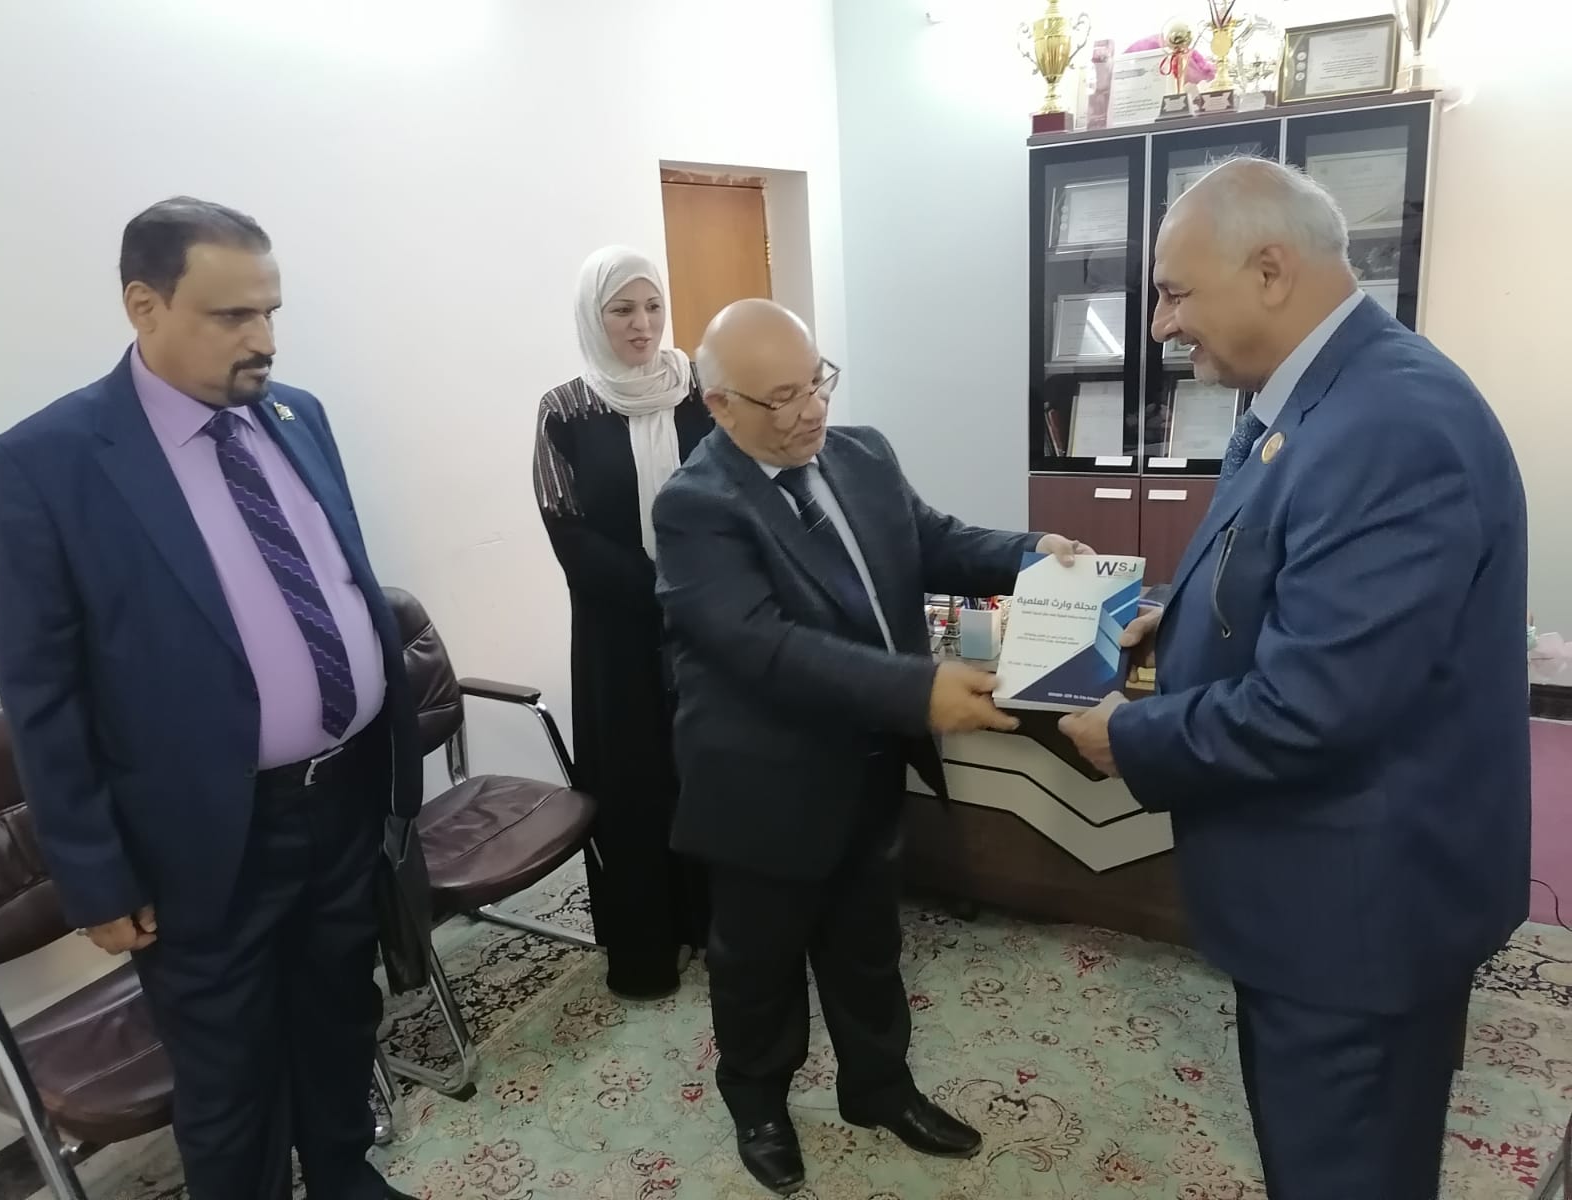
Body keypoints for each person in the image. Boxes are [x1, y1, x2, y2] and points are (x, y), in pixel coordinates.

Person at [1057, 158, 1530, 1200]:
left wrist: (1127, 739)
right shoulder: (1322, 392)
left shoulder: (1388, 426)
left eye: (1175, 294)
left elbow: (1313, 707)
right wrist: (1175, 617)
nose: (1160, 327)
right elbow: (1283, 567)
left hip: (1356, 915)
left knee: (1342, 1170)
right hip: (1321, 894)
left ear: (1269, 270)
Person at [0, 198, 422, 1200]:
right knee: (231, 1078)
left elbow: (335, 582)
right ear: (145, 305)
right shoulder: (42, 465)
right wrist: (94, 874)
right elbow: (42, 692)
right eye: (232, 316)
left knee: (339, 1015)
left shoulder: (297, 416)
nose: (263, 339)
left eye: (270, 311)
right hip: (206, 838)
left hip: (344, 796)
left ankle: (345, 1176)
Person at [653, 298, 1089, 1196]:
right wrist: (918, 690)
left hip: (868, 763)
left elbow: (933, 540)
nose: (810, 410)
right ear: (720, 406)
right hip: (765, 782)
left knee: (868, 944)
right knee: (759, 962)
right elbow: (762, 645)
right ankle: (760, 1104)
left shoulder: (862, 453)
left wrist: (1033, 552)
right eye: (781, 398)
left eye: (816, 382)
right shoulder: (696, 507)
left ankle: (879, 1090)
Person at [532, 246, 714, 999]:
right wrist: (662, 589)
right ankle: (646, 948)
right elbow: (567, 530)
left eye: (652, 307)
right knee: (635, 784)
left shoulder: (700, 390)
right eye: (622, 310)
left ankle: (717, 927)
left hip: (709, 623)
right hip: (618, 633)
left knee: (710, 773)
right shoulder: (566, 411)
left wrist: (704, 589)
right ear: (592, 316)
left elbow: (737, 495)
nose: (642, 325)